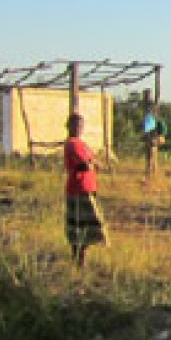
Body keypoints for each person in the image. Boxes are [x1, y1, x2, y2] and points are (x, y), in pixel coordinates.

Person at [63, 113, 107, 267]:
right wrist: (94, 163)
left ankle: (80, 260)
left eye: (81, 125)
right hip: (78, 188)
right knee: (78, 227)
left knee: (86, 226)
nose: (78, 128)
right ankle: (78, 261)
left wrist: (93, 163)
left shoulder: (81, 144)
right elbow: (85, 164)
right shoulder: (72, 144)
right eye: (75, 125)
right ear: (68, 126)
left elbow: (91, 161)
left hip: (87, 187)